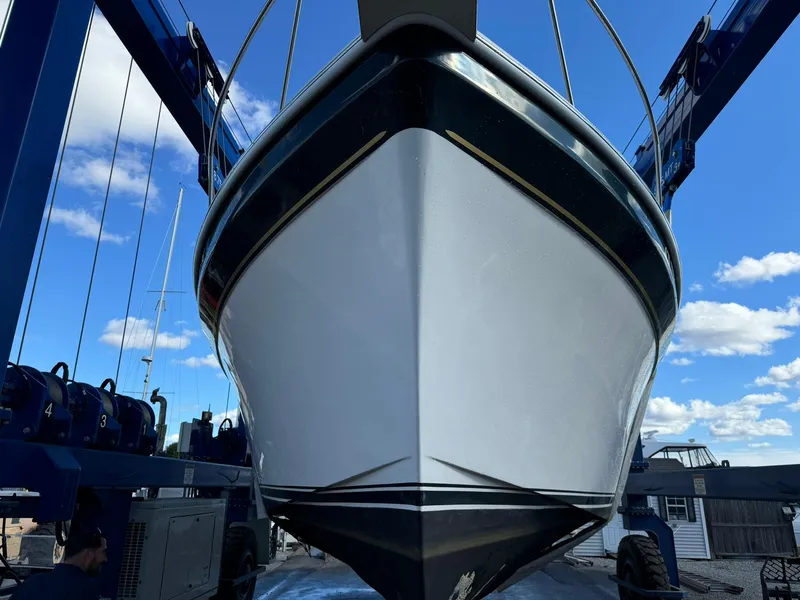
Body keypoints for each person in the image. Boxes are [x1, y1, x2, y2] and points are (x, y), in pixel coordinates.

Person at [10, 526, 107, 600]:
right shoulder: (85, 592)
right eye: (103, 552)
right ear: (88, 555)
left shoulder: (31, 583)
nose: (105, 559)